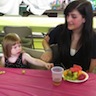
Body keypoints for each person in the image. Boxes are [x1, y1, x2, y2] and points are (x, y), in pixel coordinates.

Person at [41, 0, 96, 72]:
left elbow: (91, 69)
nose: (68, 20)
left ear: (84, 19)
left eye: (74, 17)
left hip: (79, 78)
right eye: (67, 15)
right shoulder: (61, 30)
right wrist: (48, 51)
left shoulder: (93, 38)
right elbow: (45, 40)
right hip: (58, 74)